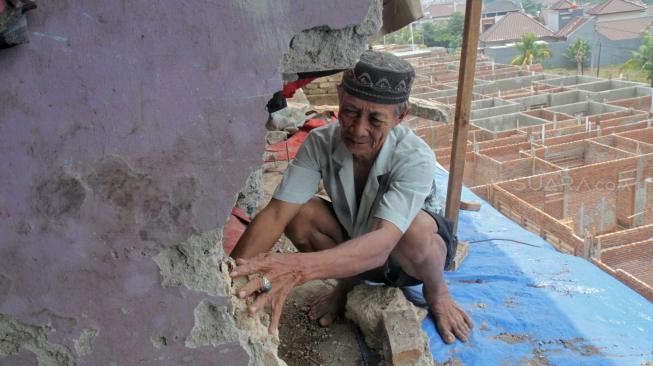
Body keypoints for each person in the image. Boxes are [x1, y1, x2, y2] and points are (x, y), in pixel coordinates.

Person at [230, 50, 473, 344]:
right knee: (300, 214)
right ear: (339, 96)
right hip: (357, 245)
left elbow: (383, 243)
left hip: (406, 259)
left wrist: (297, 268)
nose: (358, 130)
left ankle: (437, 292)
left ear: (401, 117)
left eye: (375, 119)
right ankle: (346, 285)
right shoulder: (320, 142)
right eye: (350, 112)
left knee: (414, 231)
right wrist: (232, 278)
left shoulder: (415, 157)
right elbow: (276, 213)